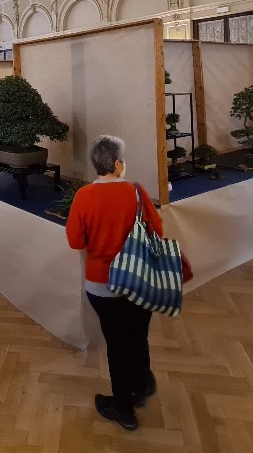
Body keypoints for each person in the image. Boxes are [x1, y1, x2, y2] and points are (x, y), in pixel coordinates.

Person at [66, 135, 162, 432]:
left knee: (117, 343)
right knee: (138, 335)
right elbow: (157, 230)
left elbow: (75, 241)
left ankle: (124, 409)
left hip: (103, 285)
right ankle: (140, 386)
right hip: (140, 279)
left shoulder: (83, 196)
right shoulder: (136, 193)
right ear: (118, 164)